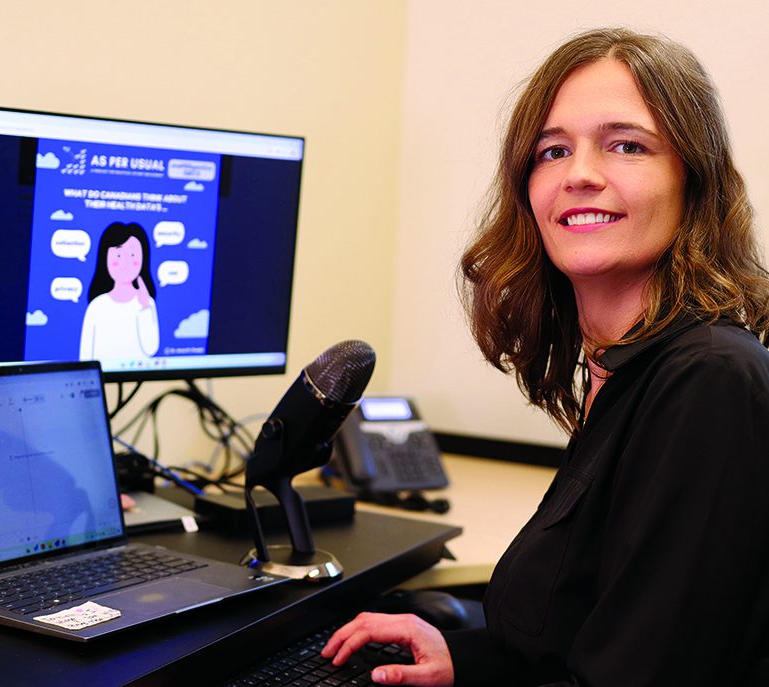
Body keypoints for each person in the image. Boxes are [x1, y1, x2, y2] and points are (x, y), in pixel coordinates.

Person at [322, 27, 769, 686]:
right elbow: (584, 632)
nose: (580, 174)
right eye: (552, 150)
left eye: (626, 145)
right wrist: (463, 658)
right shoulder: (622, 372)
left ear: (692, 181)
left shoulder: (708, 379)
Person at [79, 221, 160, 361]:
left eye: (133, 255)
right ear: (105, 258)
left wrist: (145, 308)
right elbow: (85, 356)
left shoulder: (147, 303)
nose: (126, 262)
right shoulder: (96, 306)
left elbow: (151, 349)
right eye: (118, 255)